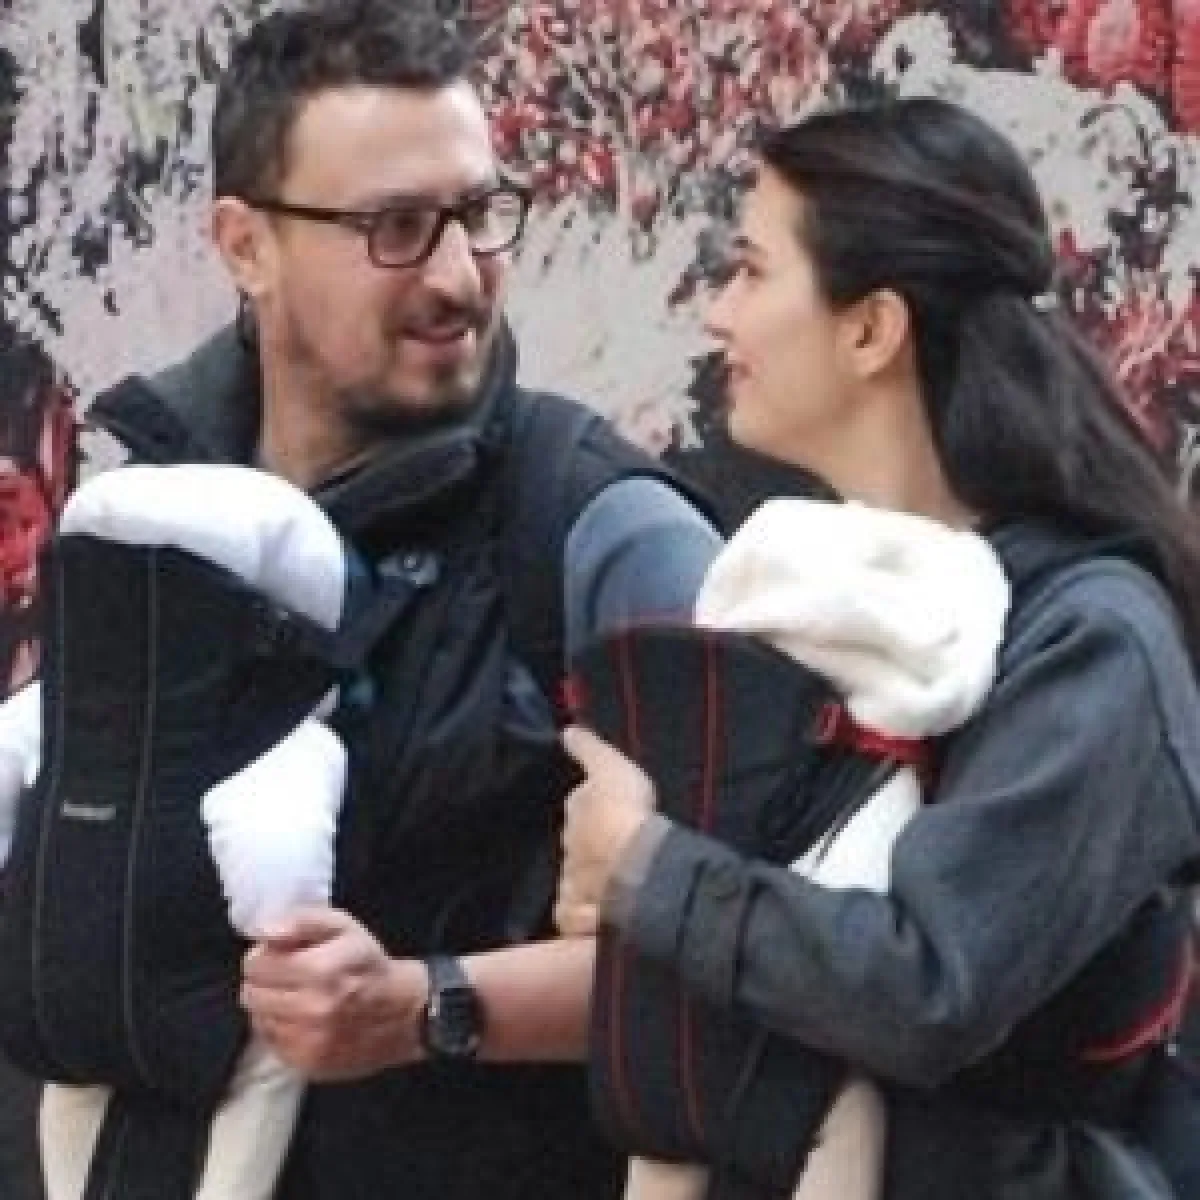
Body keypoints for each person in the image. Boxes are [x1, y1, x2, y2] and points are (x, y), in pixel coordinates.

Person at [73, 2, 720, 1197]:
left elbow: (754, 964)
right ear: (245, 245)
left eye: (480, 214)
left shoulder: (602, 529)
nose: (458, 275)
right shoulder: (140, 507)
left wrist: (430, 1007)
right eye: (398, 228)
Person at [556, 96, 1200, 1199]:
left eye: (751, 271)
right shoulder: (821, 590)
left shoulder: (1093, 641)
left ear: (871, 330)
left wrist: (647, 869)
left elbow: (930, 988)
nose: (718, 313)